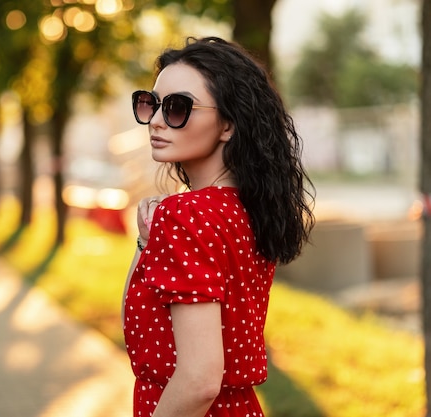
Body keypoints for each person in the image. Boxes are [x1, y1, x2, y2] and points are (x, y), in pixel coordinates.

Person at [122, 36, 315, 417]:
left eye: (177, 107)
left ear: (227, 124)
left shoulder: (186, 214)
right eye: (151, 104)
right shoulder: (245, 209)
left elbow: (198, 380)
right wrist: (146, 242)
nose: (157, 120)